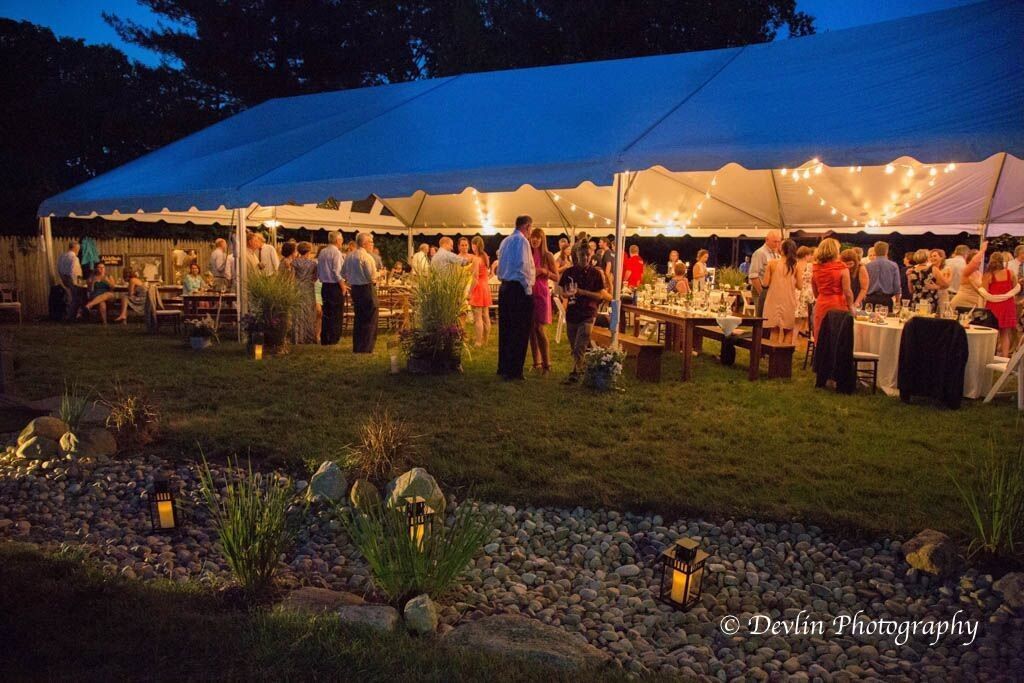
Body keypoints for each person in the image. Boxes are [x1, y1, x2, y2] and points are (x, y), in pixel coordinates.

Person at [558, 240, 611, 384]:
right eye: (583, 255)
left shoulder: (595, 273)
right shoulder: (569, 272)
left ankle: (575, 373)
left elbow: (600, 295)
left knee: (581, 342)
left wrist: (582, 292)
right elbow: (561, 291)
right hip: (573, 312)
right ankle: (582, 367)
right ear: (577, 255)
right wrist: (567, 294)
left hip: (589, 312)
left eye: (588, 255)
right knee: (574, 345)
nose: (586, 258)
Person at [496, 215, 536, 380]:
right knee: (519, 330)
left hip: (504, 287)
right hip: (518, 289)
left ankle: (504, 366)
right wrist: (528, 290)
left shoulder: (505, 241)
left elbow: (500, 266)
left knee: (505, 329)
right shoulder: (522, 241)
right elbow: (523, 267)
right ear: (527, 226)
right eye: (531, 228)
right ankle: (514, 370)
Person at [341, 232, 379, 353]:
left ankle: (357, 347)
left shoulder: (349, 256)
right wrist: (380, 274)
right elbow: (371, 277)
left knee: (359, 318)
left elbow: (343, 273)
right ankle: (367, 348)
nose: (372, 244)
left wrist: (352, 278)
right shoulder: (367, 257)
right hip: (366, 289)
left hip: (355, 289)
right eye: (371, 242)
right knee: (370, 318)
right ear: (364, 243)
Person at [811, 238, 853, 341]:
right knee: (836, 337)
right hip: (837, 304)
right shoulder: (841, 268)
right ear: (835, 251)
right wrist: (851, 306)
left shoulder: (816, 269)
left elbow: (815, 293)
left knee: (822, 336)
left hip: (821, 303)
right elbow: (847, 292)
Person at [528, 227, 558, 373]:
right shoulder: (527, 254)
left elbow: (557, 277)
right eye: (533, 237)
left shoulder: (547, 256)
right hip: (528, 294)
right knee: (531, 330)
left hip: (541, 293)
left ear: (542, 239)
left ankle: (547, 364)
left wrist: (544, 271)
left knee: (539, 329)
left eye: (537, 237)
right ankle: (536, 363)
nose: (534, 240)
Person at [762, 239, 802, 344]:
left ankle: (773, 355)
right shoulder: (796, 265)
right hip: (789, 300)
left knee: (774, 329)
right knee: (788, 330)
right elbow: (800, 285)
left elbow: (765, 284)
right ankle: (784, 357)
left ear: (782, 250)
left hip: (773, 299)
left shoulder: (772, 263)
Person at [984, 252, 1019, 356]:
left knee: (992, 332)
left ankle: (991, 355)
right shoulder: (1010, 273)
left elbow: (985, 292)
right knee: (1005, 333)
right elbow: (1015, 288)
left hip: (993, 305)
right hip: (1007, 304)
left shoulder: (988, 275)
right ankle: (1004, 357)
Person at [317, 231, 347, 345]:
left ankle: (325, 338)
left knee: (326, 313)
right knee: (336, 313)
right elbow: (337, 271)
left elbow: (319, 268)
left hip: (325, 286)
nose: (342, 241)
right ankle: (334, 338)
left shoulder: (322, 252)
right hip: (334, 286)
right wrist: (343, 286)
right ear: (337, 240)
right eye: (341, 239)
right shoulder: (336, 253)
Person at [749, 230, 782, 315]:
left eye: (779, 241)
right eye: (775, 241)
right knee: (762, 317)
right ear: (767, 240)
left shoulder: (777, 254)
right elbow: (753, 276)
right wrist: (762, 294)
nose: (777, 244)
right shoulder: (760, 253)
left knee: (770, 318)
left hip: (772, 291)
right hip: (761, 290)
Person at [468, 236, 493, 347]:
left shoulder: (476, 259)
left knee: (477, 317)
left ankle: (478, 342)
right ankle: (485, 340)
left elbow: (475, 277)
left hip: (478, 288)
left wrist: (469, 292)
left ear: (474, 245)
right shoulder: (485, 257)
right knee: (485, 315)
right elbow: (487, 273)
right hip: (485, 287)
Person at [292, 242, 318, 344]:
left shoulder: (294, 262)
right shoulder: (313, 264)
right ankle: (308, 337)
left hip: (297, 287)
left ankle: (297, 337)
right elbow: (315, 278)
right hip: (308, 288)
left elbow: (292, 276)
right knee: (309, 313)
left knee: (298, 312)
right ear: (309, 251)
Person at [863, 241, 901, 311]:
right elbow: (897, 285)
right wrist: (898, 301)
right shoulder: (893, 265)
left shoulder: (867, 266)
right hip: (886, 300)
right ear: (886, 251)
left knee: (868, 321)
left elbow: (863, 283)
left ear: (875, 251)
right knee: (887, 321)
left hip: (870, 299)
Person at [57, 240, 87, 322]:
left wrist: (63, 278)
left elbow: (59, 269)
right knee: (76, 298)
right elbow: (74, 272)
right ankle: (72, 317)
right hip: (72, 280)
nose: (79, 251)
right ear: (75, 248)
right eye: (78, 249)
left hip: (64, 279)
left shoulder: (62, 256)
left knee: (69, 298)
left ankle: (69, 315)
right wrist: (77, 283)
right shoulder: (74, 258)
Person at [794, 246, 815, 338]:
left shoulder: (795, 265)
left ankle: (799, 334)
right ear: (806, 255)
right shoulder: (809, 266)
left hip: (797, 292)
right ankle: (804, 333)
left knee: (798, 319)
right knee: (804, 318)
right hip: (806, 293)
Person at [929, 249, 952, 313]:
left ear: (941, 257)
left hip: (942, 295)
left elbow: (947, 284)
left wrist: (936, 287)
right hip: (931, 296)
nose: (932, 258)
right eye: (931, 256)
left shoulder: (947, 269)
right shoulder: (929, 269)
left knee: (942, 313)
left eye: (935, 256)